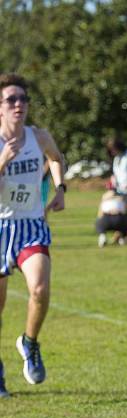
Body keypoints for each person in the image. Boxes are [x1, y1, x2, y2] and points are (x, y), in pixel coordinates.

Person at [0, 73, 66, 397]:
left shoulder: (38, 137)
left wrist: (61, 189)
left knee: (39, 288)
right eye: (11, 99)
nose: (18, 105)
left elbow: (56, 158)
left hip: (31, 224)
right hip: (0, 227)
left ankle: (29, 342)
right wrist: (2, 161)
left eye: (23, 99)